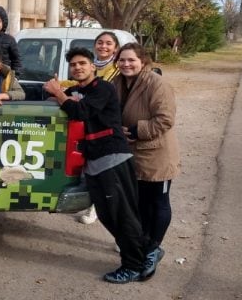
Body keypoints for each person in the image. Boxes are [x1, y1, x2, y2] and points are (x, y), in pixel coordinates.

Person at [43, 47, 161, 284]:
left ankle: (133, 265)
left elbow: (80, 111)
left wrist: (58, 93)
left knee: (122, 215)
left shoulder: (103, 89)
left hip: (113, 158)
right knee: (108, 216)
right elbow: (59, 99)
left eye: (82, 63)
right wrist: (55, 94)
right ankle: (148, 250)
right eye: (74, 64)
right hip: (94, 162)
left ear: (93, 66)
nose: (78, 67)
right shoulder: (78, 90)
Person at [114, 42, 178, 264]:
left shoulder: (156, 84)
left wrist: (135, 130)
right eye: (122, 60)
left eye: (131, 60)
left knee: (158, 202)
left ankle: (153, 247)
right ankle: (143, 241)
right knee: (139, 202)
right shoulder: (118, 82)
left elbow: (165, 119)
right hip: (132, 155)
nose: (126, 64)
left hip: (156, 155)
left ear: (143, 62)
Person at [70, 31, 122, 224]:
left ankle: (130, 239)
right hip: (94, 129)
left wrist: (61, 94)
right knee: (94, 174)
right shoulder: (92, 70)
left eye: (109, 43)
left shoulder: (116, 69)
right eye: (100, 42)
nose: (103, 46)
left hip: (111, 126)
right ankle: (95, 205)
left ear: (115, 48)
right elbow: (79, 86)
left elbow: (92, 95)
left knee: (114, 185)